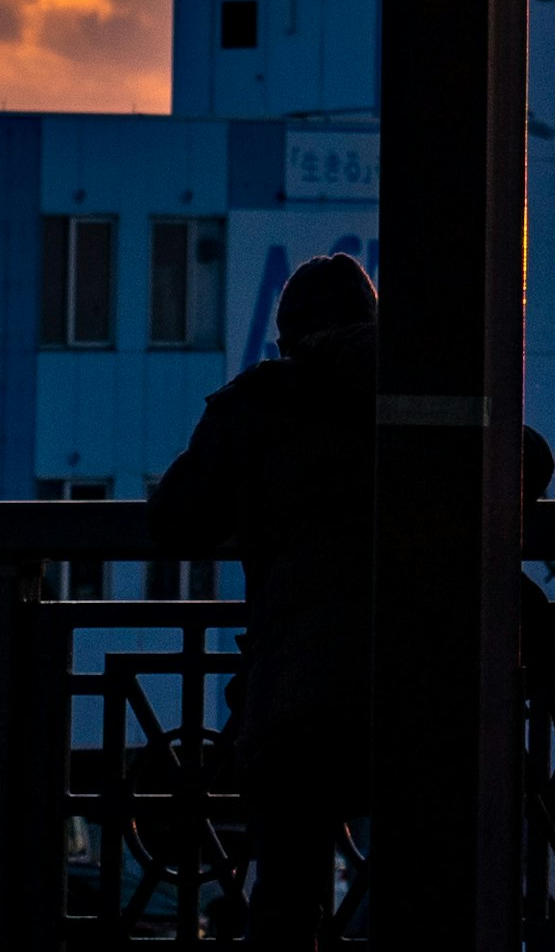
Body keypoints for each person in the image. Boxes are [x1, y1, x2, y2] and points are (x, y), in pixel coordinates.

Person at [145, 247, 378, 945]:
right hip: (424, 682)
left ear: (289, 336)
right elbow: (530, 455)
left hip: (298, 689)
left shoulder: (265, 402)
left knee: (285, 896)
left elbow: (176, 519)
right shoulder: (426, 389)